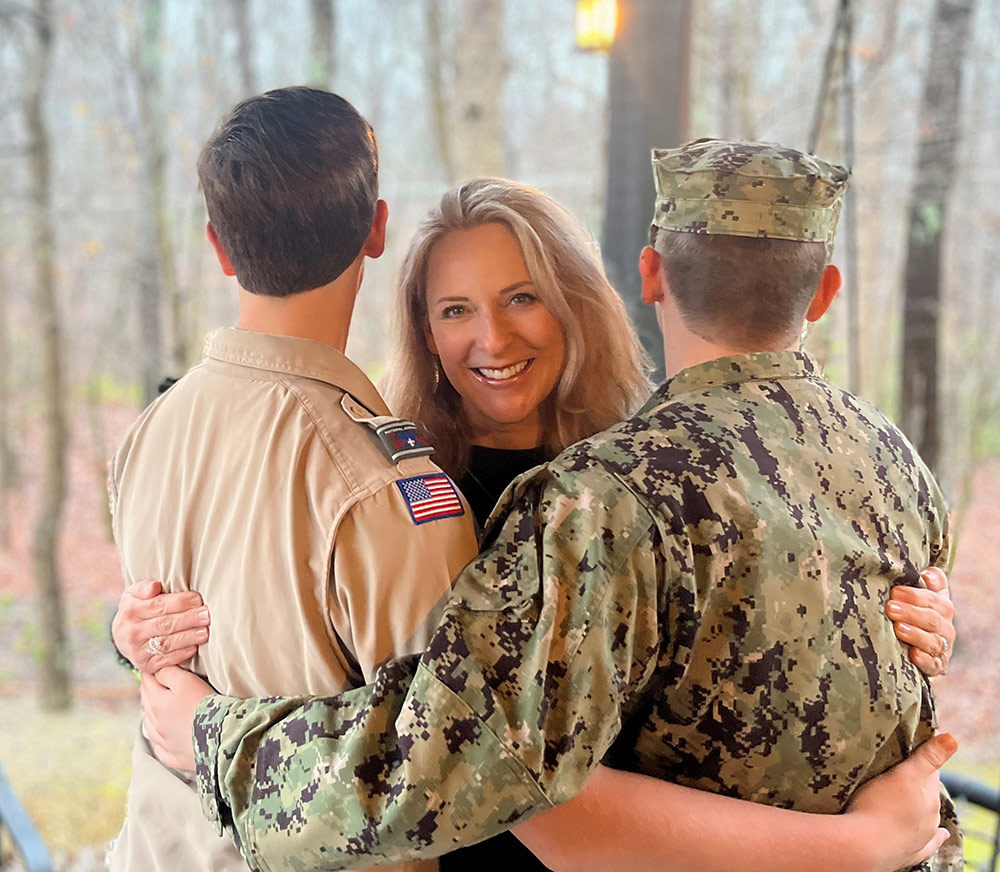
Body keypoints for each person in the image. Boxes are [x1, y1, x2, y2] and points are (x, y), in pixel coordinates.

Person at [140, 139, 963, 872]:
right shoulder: (387, 485)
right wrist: (140, 643)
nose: (492, 340)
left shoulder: (616, 488)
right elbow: (263, 620)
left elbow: (475, 764)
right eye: (455, 310)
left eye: (523, 298)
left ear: (620, 286)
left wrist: (919, 626)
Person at [106, 86, 482, 872]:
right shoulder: (384, 485)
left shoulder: (149, 433)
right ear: (376, 231)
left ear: (218, 246)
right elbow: (441, 770)